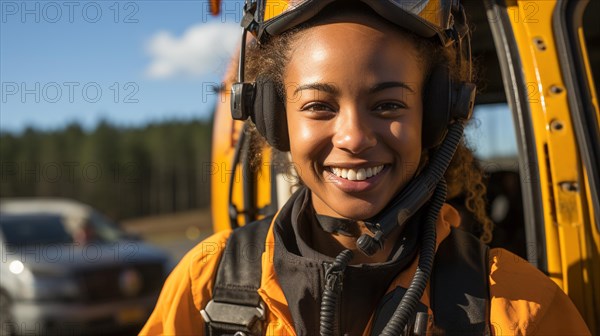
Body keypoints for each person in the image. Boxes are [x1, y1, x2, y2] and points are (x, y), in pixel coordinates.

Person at [141, 1, 591, 335]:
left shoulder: (517, 307)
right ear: (275, 119)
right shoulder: (207, 283)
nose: (353, 137)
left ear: (436, 116)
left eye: (389, 104)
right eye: (319, 106)